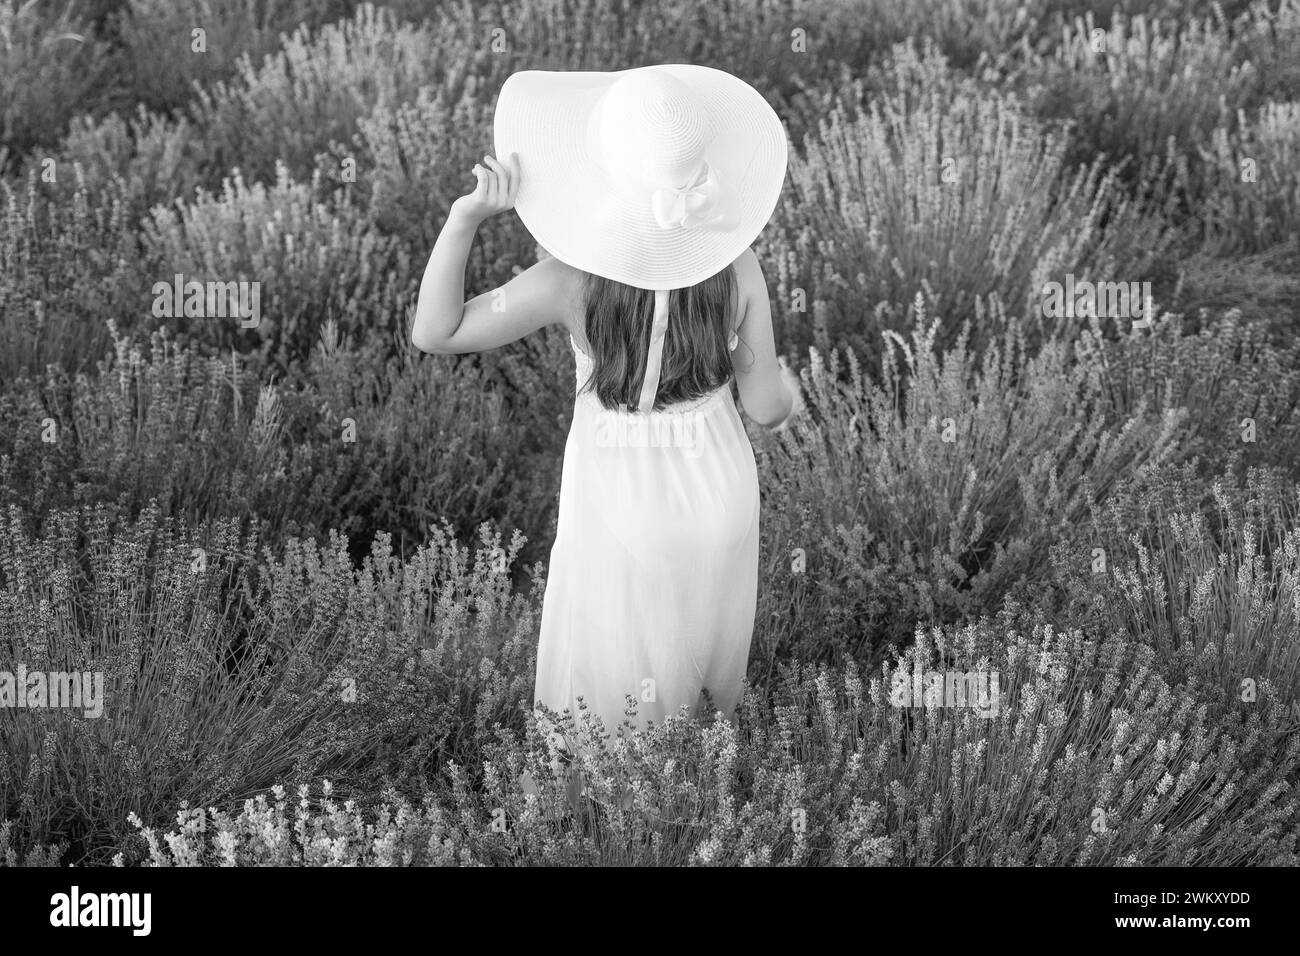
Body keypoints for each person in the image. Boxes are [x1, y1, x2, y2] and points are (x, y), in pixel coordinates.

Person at [411, 64, 801, 809]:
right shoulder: (738, 266)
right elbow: (763, 402)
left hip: (621, 497)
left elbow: (439, 330)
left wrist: (464, 220)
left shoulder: (572, 280)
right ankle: (703, 808)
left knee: (615, 663)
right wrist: (789, 402)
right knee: (705, 655)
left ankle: (608, 815)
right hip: (717, 488)